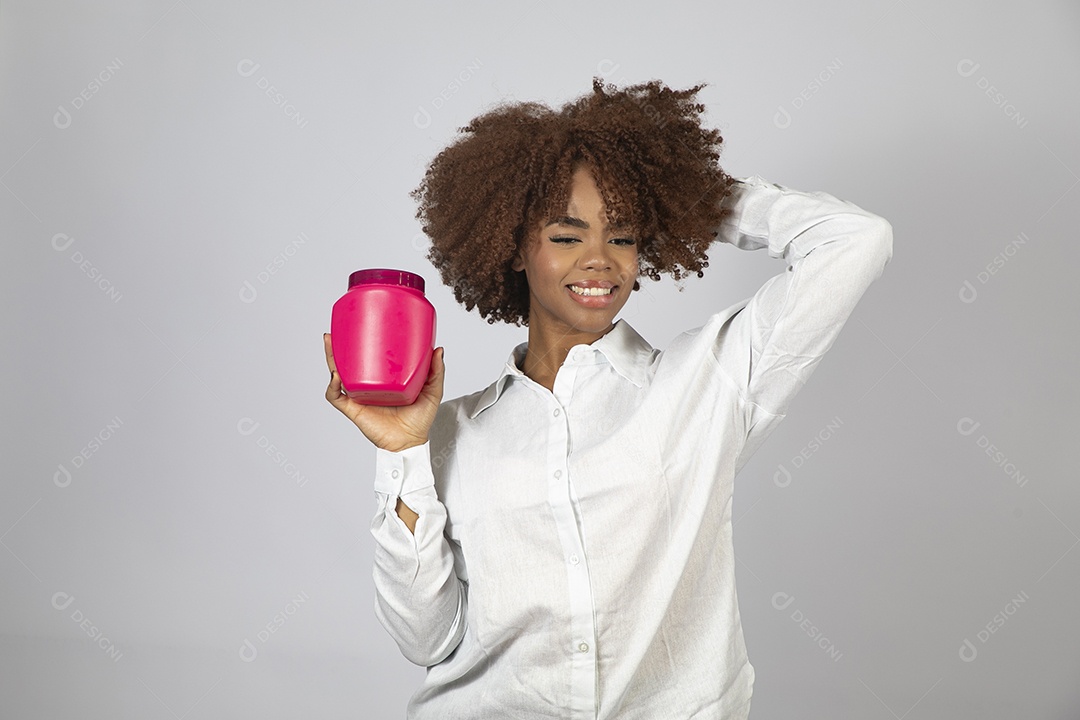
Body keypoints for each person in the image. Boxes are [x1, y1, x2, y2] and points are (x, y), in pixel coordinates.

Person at [323, 77, 893, 719]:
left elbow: (854, 241)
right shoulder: (450, 432)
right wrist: (403, 454)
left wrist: (689, 196)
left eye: (621, 235)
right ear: (516, 247)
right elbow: (426, 640)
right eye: (567, 237)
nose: (600, 259)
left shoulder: (709, 381)